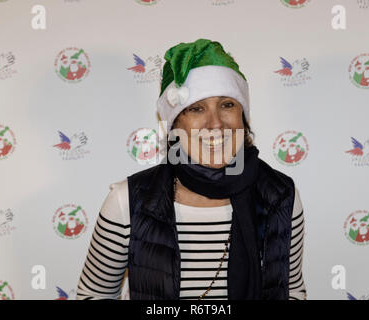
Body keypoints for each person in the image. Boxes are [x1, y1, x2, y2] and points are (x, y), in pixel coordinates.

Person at [76, 39, 307, 300]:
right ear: (175, 125)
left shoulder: (281, 196)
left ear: (243, 116)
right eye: (197, 109)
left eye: (227, 104)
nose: (216, 123)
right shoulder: (128, 200)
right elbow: (93, 295)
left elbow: (292, 292)